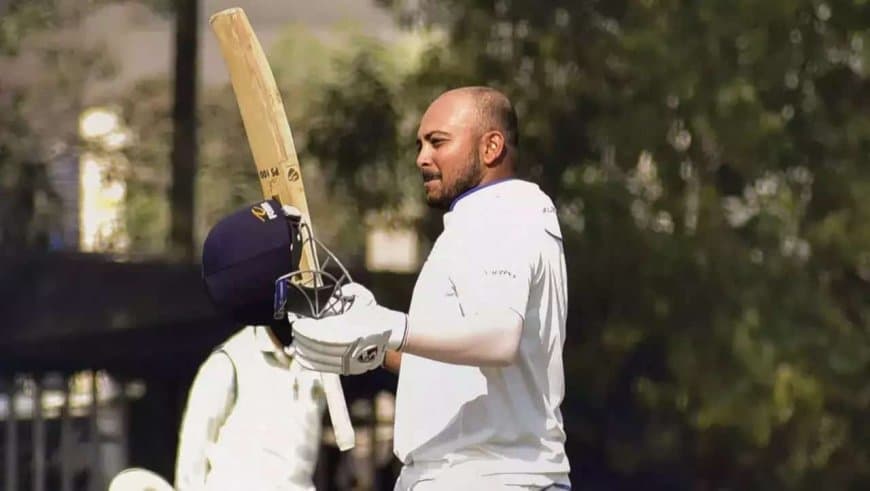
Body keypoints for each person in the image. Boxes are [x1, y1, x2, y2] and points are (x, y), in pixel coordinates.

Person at [291, 86, 571, 490]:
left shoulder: (501, 214)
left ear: (491, 146)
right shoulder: (484, 219)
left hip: (488, 477)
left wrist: (390, 327)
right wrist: (367, 344)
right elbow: (460, 367)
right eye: (420, 144)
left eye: (438, 142)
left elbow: (498, 338)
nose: (422, 157)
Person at [175, 199, 352, 491]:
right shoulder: (228, 364)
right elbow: (189, 471)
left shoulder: (317, 361)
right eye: (296, 272)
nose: (307, 280)